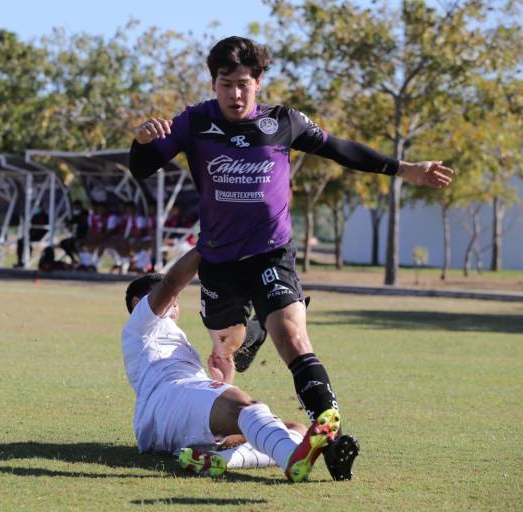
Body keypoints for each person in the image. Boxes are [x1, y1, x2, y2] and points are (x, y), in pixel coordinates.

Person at [128, 36, 454, 480]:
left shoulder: (283, 122)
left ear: (258, 82)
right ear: (214, 83)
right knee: (226, 351)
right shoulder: (194, 122)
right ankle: (235, 415)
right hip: (219, 261)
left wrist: (404, 169)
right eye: (226, 84)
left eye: (243, 84)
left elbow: (339, 148)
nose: (235, 94)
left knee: (293, 336)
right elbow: (143, 167)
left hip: (270, 253)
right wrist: (143, 142)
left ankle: (329, 430)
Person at [122, 248, 347, 482]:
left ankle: (218, 459)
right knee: (247, 407)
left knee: (294, 430)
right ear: (138, 303)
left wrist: (222, 382)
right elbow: (171, 283)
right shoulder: (140, 324)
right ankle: (291, 458)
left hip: (171, 421)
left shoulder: (168, 338)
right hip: (167, 401)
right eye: (167, 300)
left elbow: (195, 403)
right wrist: (210, 243)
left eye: (177, 303)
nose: (174, 305)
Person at [60, 200, 90, 264]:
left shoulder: (85, 214)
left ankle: (83, 261)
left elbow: (77, 221)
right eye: (75, 207)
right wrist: (67, 222)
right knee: (64, 243)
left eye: (77, 207)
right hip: (76, 236)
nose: (76, 208)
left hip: (84, 236)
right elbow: (70, 222)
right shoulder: (75, 214)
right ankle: (73, 260)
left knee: (75, 244)